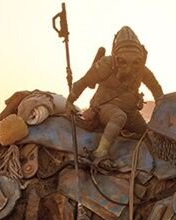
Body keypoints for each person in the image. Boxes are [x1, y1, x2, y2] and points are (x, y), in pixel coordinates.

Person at [65, 26, 163, 163]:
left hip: (131, 112)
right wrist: (69, 101)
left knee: (146, 132)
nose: (129, 66)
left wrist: (162, 107)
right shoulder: (105, 65)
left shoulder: (142, 70)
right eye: (123, 60)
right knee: (119, 117)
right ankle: (100, 152)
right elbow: (83, 82)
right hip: (104, 107)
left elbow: (156, 89)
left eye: (135, 61)